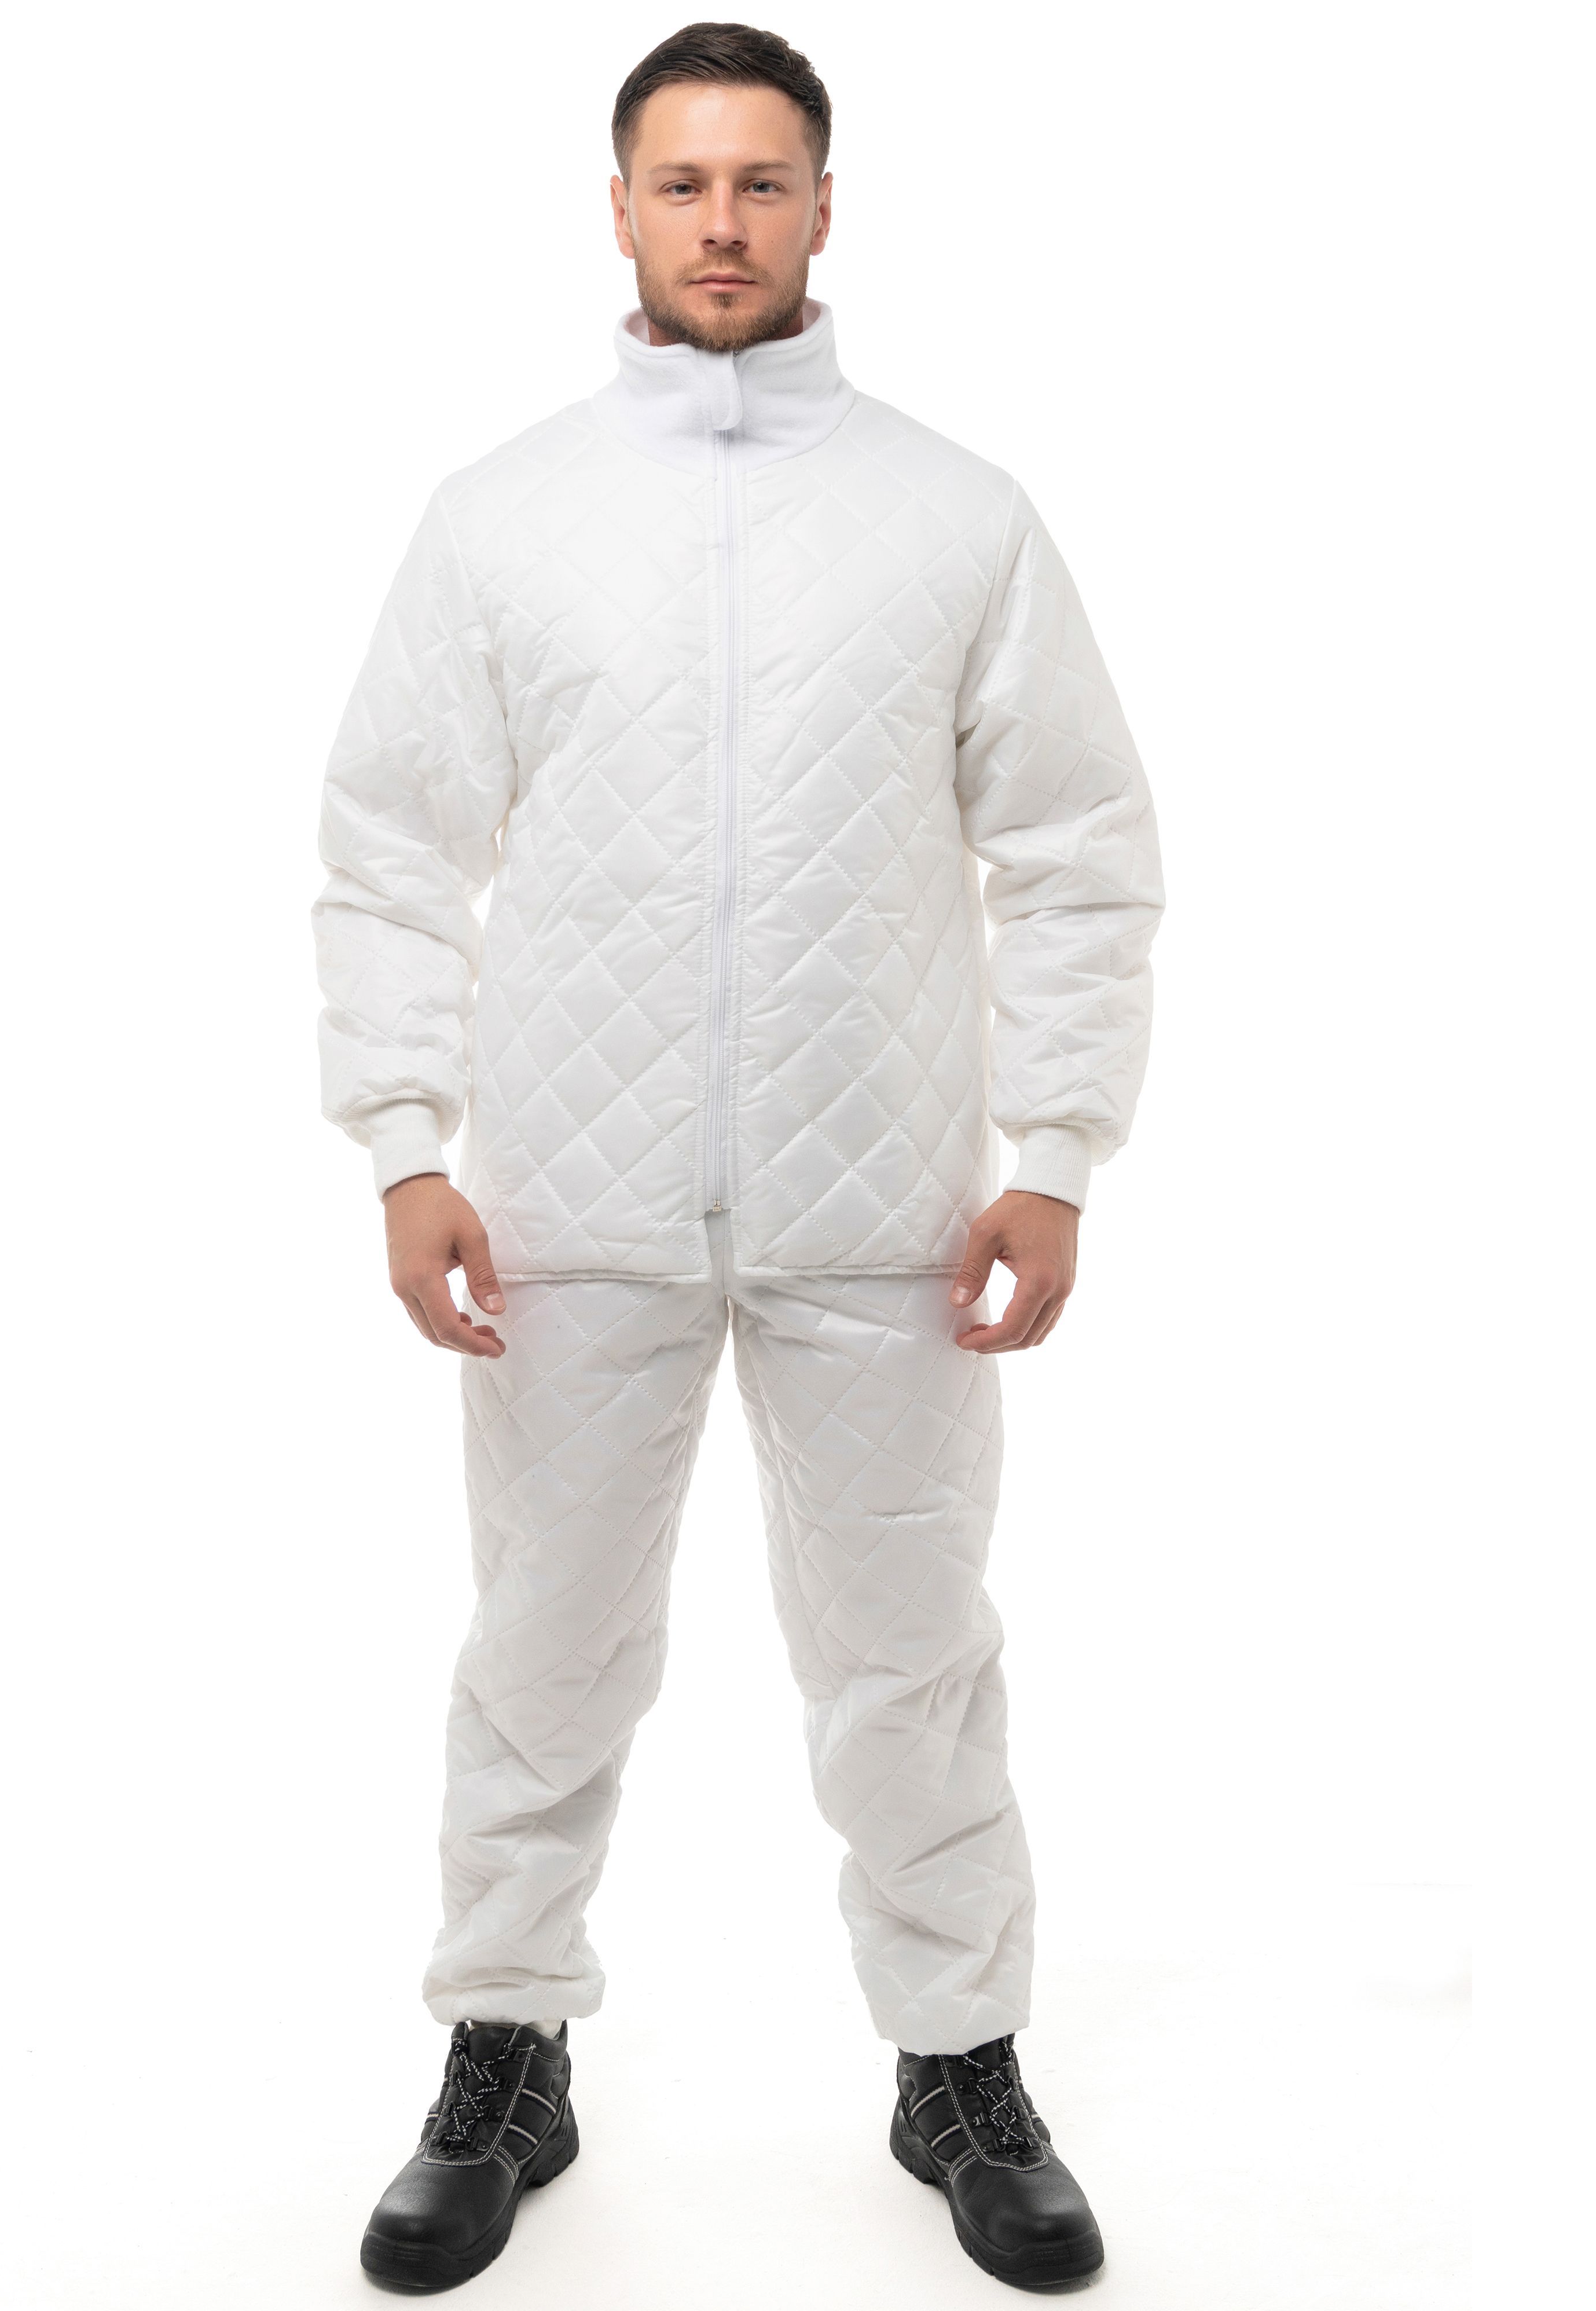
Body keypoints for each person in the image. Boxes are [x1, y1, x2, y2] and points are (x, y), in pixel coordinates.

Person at [315, 22, 1164, 2294]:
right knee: (542, 1651)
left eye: (761, 182)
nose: (720, 222)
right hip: (566, 1211)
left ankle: (958, 2059)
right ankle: (505, 2048)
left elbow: (1076, 849)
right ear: (615, 207)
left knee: (911, 1658)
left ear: (822, 209)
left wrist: (1058, 1149)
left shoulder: (955, 516)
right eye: (680, 182)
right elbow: (391, 848)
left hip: (887, 1212)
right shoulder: (501, 517)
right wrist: (402, 1142)